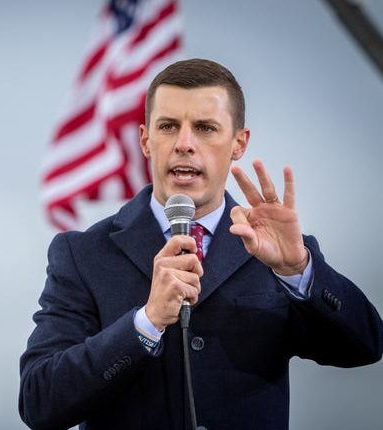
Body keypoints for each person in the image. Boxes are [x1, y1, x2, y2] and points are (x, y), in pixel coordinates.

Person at [19, 58, 382, 430]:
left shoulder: (281, 251)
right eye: (168, 126)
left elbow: (365, 346)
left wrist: (298, 271)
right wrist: (146, 322)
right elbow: (39, 401)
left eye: (206, 128)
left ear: (239, 142)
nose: (184, 144)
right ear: (146, 140)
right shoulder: (83, 254)